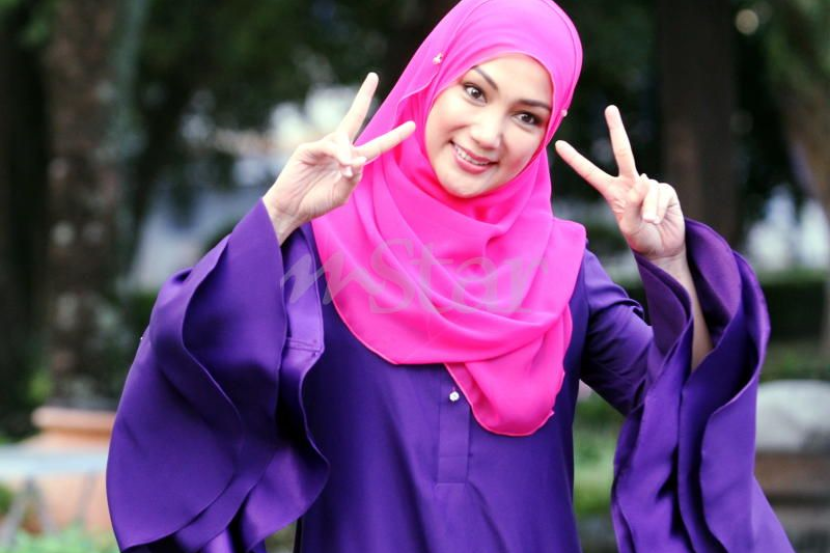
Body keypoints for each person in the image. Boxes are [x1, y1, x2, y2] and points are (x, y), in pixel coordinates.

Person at [106, 0, 794, 551]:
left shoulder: (563, 272)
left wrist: (669, 262)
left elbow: (686, 402)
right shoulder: (319, 253)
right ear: (432, 81)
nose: (489, 134)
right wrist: (279, 214)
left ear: (547, 131)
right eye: (474, 90)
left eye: (526, 116)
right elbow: (195, 366)